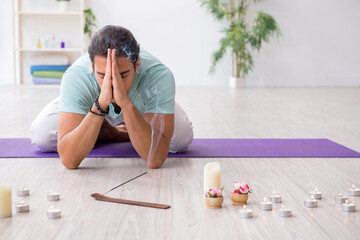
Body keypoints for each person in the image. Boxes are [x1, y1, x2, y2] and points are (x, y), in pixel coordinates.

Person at [30, 25, 193, 169]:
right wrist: (100, 104)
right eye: (102, 75)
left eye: (123, 75)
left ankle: (116, 131)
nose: (114, 83)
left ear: (137, 65)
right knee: (42, 135)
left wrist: (125, 103)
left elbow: (155, 159)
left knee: (181, 139)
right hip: (91, 103)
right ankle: (113, 130)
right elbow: (68, 160)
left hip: (143, 105)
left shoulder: (159, 76)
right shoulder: (76, 75)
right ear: (92, 68)